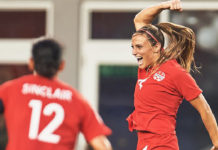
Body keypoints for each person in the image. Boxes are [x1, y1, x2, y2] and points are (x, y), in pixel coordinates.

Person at [127, 0, 218, 150]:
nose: (134, 52)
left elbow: (204, 108)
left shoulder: (175, 72)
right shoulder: (146, 66)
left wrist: (216, 142)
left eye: (138, 47)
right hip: (143, 143)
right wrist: (164, 6)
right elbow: (140, 19)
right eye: (133, 47)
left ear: (156, 47)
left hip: (162, 145)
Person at [0, 38, 112, 150]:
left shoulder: (10, 89)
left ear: (31, 63)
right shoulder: (76, 100)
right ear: (61, 65)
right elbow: (102, 146)